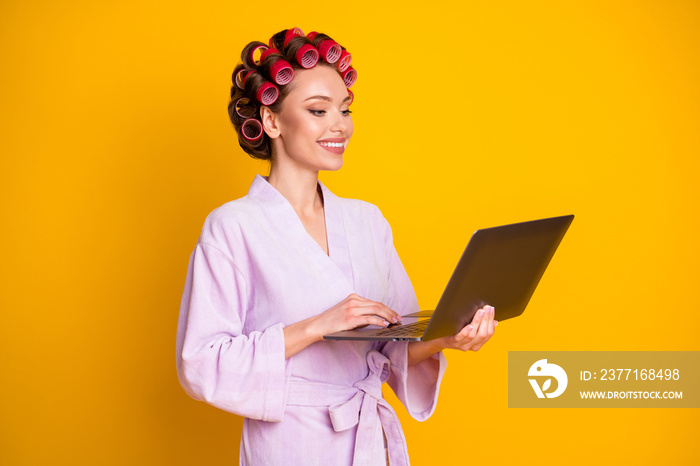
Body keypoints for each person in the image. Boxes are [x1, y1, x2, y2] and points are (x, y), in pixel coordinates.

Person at [176, 28, 497, 465]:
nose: (339, 125)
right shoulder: (233, 227)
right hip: (291, 444)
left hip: (369, 441)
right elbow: (200, 362)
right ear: (272, 122)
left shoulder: (368, 221)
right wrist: (316, 325)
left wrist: (446, 338)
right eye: (318, 110)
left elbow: (393, 345)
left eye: (344, 109)